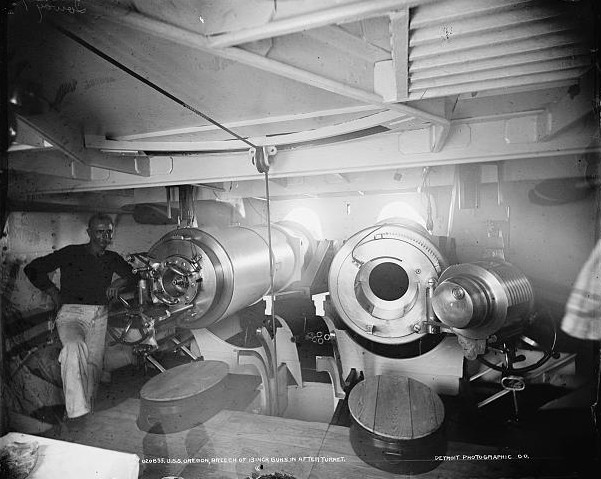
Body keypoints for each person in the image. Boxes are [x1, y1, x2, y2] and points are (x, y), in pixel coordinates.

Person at [24, 213, 137, 419]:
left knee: (94, 366)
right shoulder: (71, 253)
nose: (105, 236)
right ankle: (76, 413)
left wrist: (118, 283)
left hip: (100, 316)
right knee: (73, 348)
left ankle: (87, 413)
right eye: (100, 232)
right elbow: (32, 269)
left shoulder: (112, 258)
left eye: (109, 232)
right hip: (71, 314)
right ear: (89, 233)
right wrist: (53, 292)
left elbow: (133, 276)